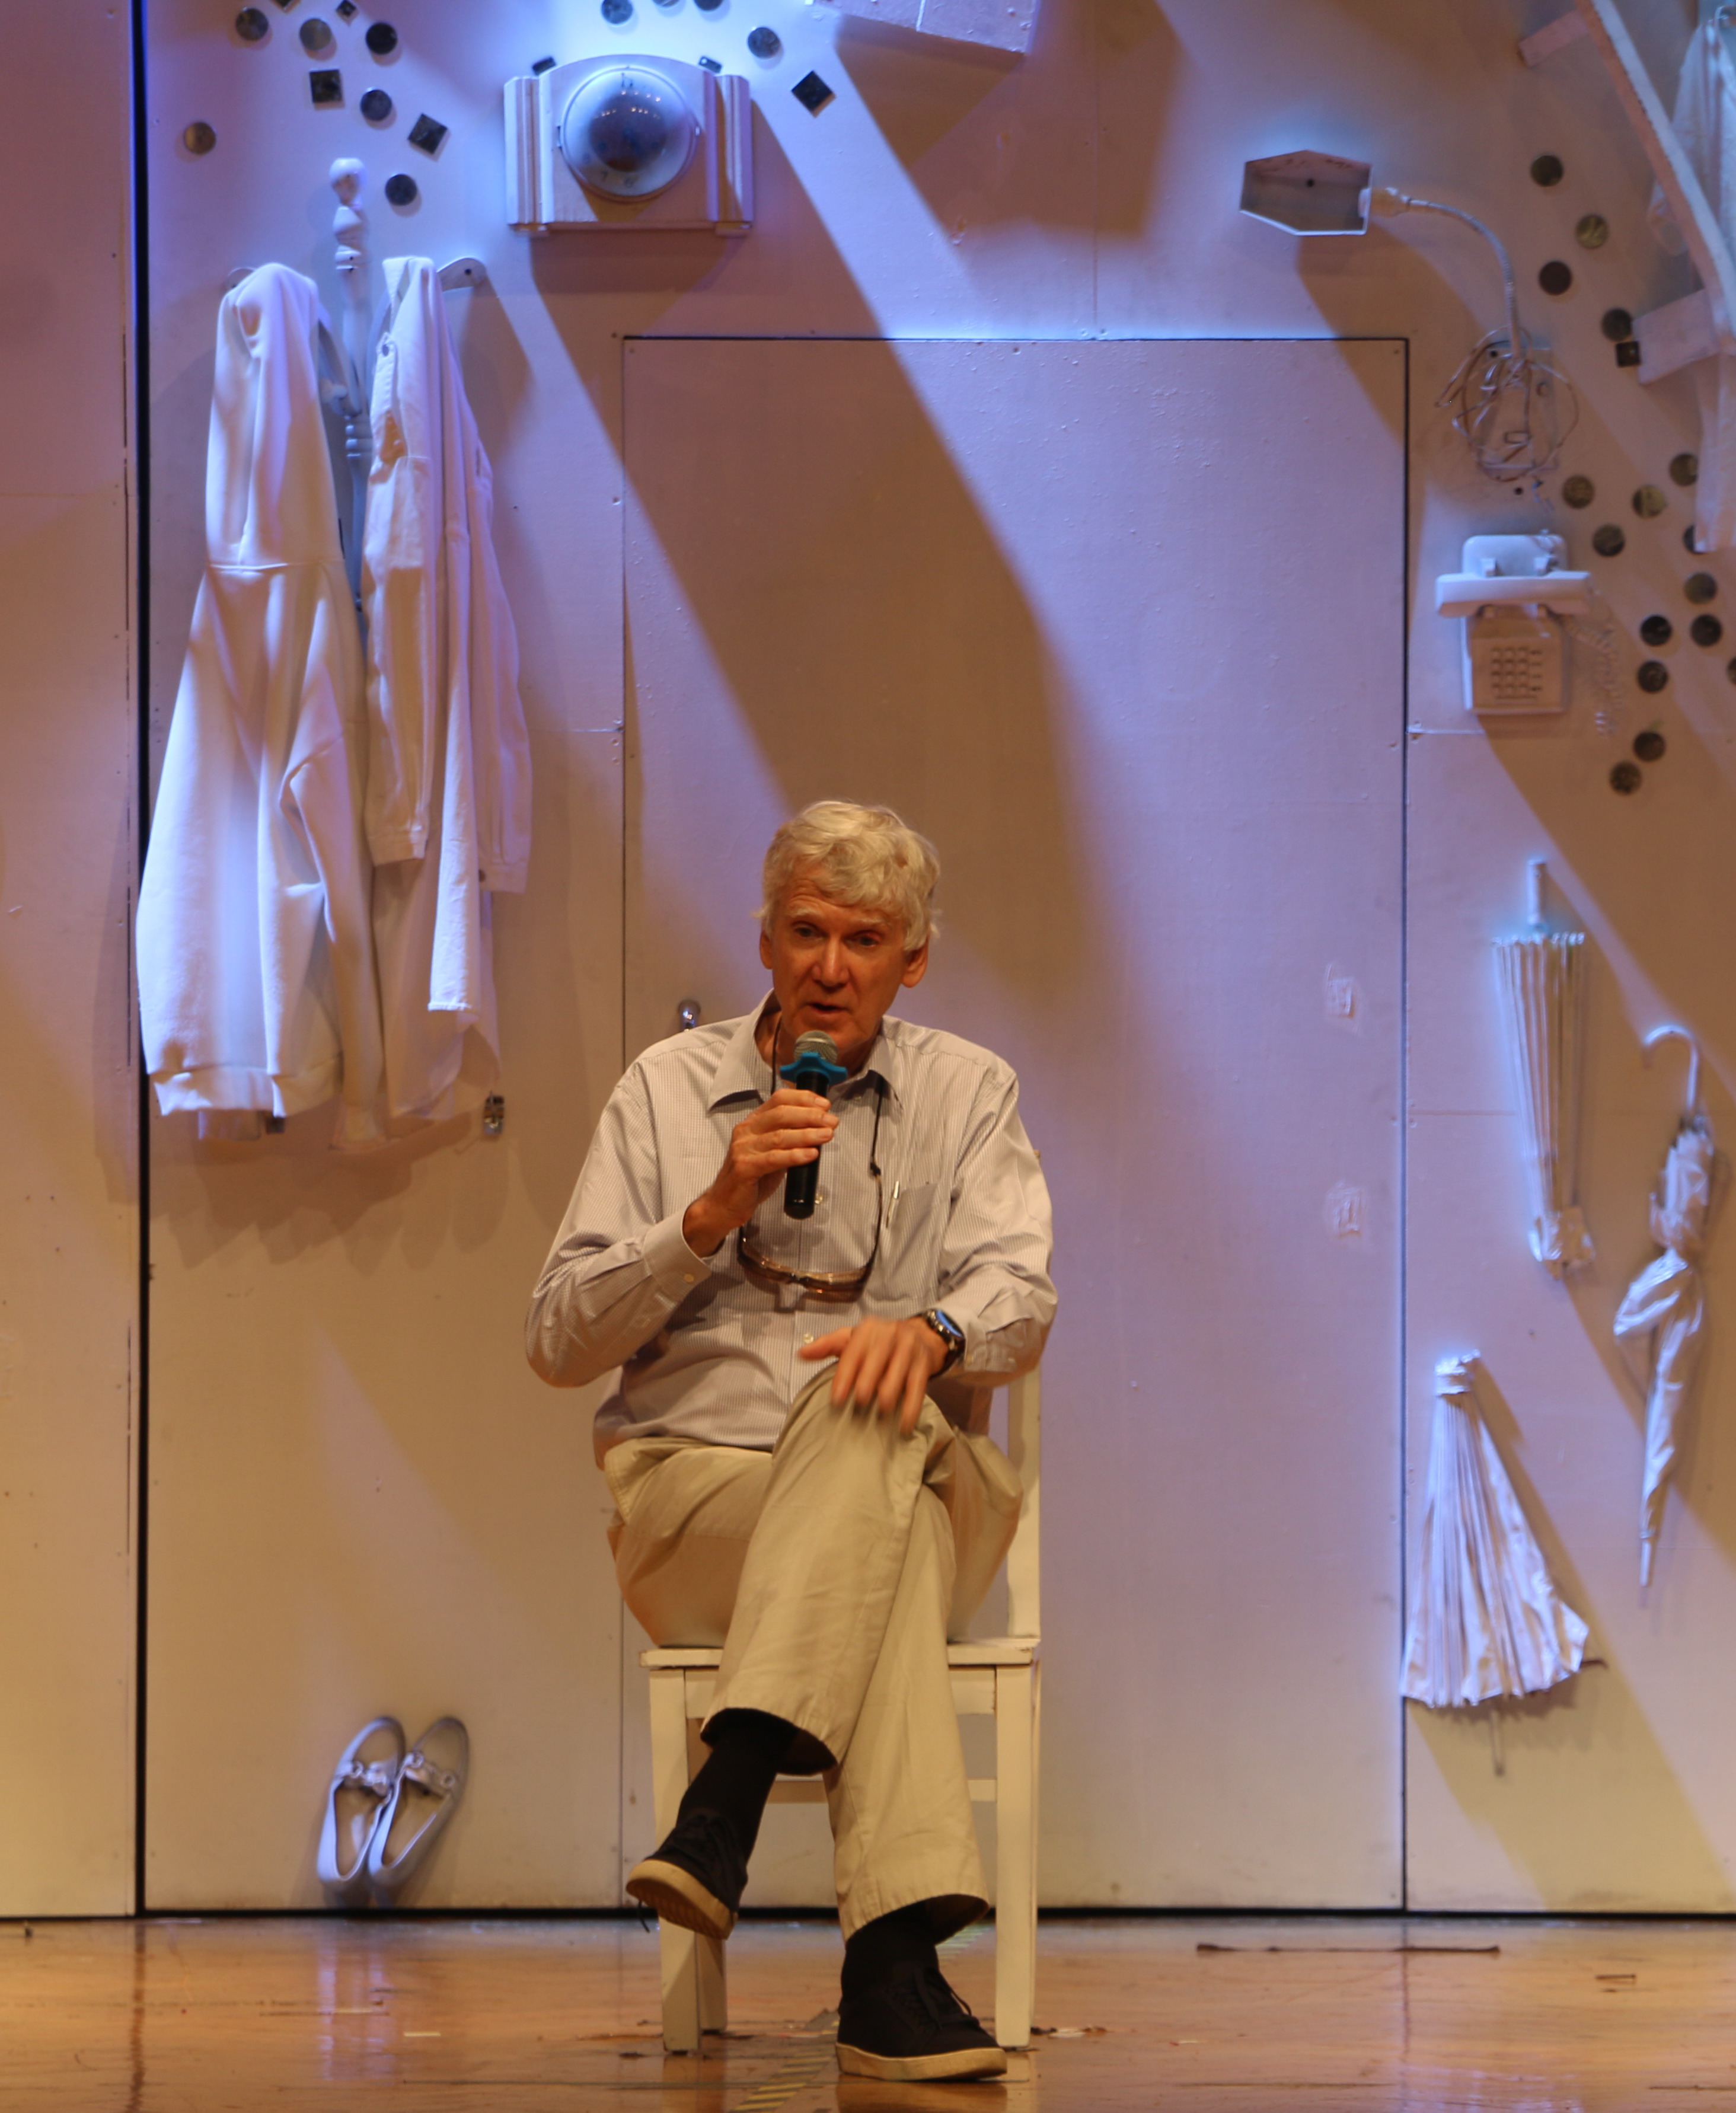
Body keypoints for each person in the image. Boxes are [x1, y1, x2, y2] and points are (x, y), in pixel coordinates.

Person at [526, 800, 1055, 2083]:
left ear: (912, 962)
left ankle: (730, 1793)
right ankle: (893, 1973)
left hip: (918, 1482)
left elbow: (1021, 1297)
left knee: (866, 1404)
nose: (830, 966)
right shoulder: (666, 1090)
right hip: (698, 1508)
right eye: (806, 932)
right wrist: (707, 1212)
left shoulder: (969, 1091)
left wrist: (932, 1332)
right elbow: (557, 1338)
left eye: (864, 940)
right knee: (883, 1535)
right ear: (764, 940)